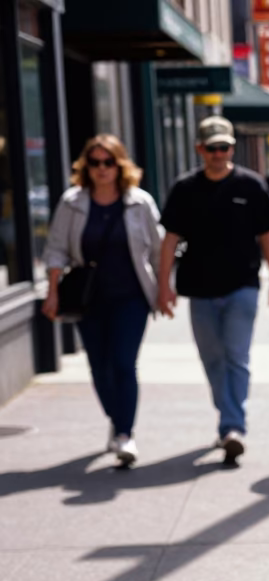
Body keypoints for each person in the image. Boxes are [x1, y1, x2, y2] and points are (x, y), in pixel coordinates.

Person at [156, 116, 269, 464]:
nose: (218, 154)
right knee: (213, 359)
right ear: (200, 149)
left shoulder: (251, 185)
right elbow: (169, 240)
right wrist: (163, 286)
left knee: (236, 357)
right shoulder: (185, 188)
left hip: (242, 286)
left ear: (232, 148)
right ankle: (228, 420)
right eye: (211, 148)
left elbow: (268, 236)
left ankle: (232, 426)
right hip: (200, 290)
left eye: (224, 147)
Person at [42, 135, 163, 465]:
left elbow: (157, 249)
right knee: (100, 367)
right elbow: (55, 249)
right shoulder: (72, 202)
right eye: (94, 163)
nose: (101, 169)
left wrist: (166, 288)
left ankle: (125, 433)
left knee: (123, 363)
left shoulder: (139, 202)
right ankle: (117, 416)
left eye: (107, 162)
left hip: (131, 297)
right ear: (86, 167)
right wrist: (52, 291)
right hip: (88, 298)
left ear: (119, 164)